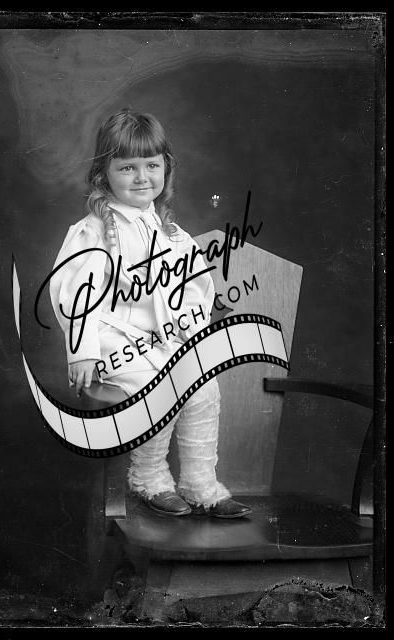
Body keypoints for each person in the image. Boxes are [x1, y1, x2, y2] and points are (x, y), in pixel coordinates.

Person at [50, 108, 251, 518]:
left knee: (203, 389)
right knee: (156, 390)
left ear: (165, 168)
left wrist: (191, 334)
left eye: (151, 165)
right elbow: (76, 294)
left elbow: (195, 290)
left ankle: (200, 484)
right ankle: (149, 478)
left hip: (162, 339)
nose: (142, 177)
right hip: (112, 339)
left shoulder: (171, 234)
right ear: (103, 174)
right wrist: (83, 351)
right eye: (127, 167)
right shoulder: (94, 231)